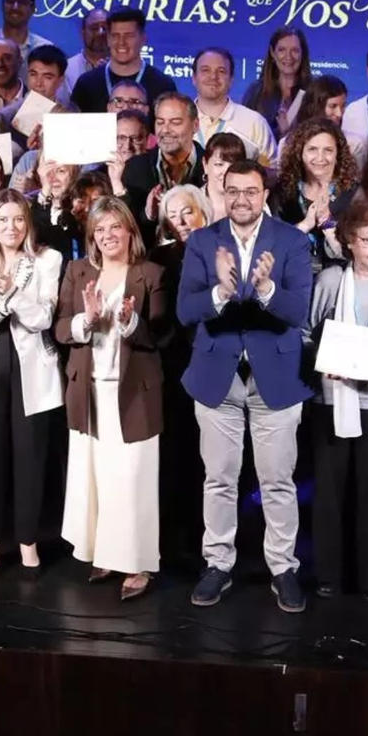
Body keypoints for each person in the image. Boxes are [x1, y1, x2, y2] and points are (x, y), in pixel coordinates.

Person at [178, 159, 316, 613]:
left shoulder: (292, 241)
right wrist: (220, 291)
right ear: (222, 191)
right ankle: (218, 563)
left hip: (275, 378)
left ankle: (283, 567)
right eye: (233, 190)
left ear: (264, 195)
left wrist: (266, 288)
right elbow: (185, 311)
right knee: (219, 479)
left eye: (251, 191)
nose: (241, 199)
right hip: (216, 378)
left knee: (277, 481)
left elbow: (298, 312)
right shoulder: (203, 241)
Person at [57, 196, 171, 599]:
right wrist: (85, 320)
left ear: (129, 231)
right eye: (99, 229)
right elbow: (60, 329)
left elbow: (160, 334)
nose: (107, 236)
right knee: (96, 478)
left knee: (132, 480)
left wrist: (130, 321)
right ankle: (105, 553)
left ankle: (137, 563)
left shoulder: (151, 273)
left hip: (134, 393)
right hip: (87, 391)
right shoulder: (77, 271)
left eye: (115, 227)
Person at [303, 202, 368, 602]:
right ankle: (328, 575)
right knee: (330, 492)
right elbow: (305, 332)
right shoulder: (331, 279)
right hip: (333, 399)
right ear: (349, 241)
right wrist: (323, 359)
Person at [0, 190, 63, 574]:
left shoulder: (48, 260)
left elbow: (43, 318)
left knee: (30, 459)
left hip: (31, 370)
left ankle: (28, 542)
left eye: (19, 219)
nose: (11, 227)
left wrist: (11, 294)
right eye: (3, 219)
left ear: (28, 223)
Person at [150, 185, 210, 567]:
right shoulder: (159, 258)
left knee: (211, 460)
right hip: (173, 368)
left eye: (187, 211)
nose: (181, 220)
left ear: (202, 212)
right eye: (172, 214)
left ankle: (210, 541)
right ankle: (175, 541)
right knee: (175, 454)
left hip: (214, 366)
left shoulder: (222, 251)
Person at [271, 117, 357, 269]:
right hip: (291, 272)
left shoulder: (353, 194)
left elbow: (356, 254)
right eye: (312, 149)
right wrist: (305, 225)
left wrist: (328, 223)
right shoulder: (283, 192)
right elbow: (273, 249)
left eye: (328, 150)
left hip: (338, 274)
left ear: (338, 155)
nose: (320, 158)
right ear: (300, 153)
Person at [122, 92, 204, 234]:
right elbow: (129, 229)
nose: (165, 130)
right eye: (160, 122)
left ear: (195, 125)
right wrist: (148, 214)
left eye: (175, 122)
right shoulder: (135, 168)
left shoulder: (212, 167)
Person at [69, 7, 179, 113]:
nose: (121, 42)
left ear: (143, 39)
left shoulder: (162, 85)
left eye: (129, 36)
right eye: (115, 36)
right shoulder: (87, 84)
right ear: (108, 39)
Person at [192, 47, 276, 166]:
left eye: (221, 71)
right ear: (194, 78)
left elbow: (273, 171)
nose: (213, 76)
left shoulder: (254, 122)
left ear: (231, 79)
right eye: (205, 70)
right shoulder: (178, 120)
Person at [0, 44, 74, 155]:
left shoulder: (71, 112)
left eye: (47, 77)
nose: (38, 83)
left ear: (60, 80)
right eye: (33, 74)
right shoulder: (4, 118)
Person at [240, 25, 312, 139]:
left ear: (303, 54)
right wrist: (279, 132)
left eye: (295, 50)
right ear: (272, 53)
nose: (288, 57)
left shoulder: (313, 92)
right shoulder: (255, 92)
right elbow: (243, 134)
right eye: (281, 50)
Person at [198, 133, 246, 224]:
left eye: (233, 165)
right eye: (219, 164)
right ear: (205, 164)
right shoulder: (191, 202)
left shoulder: (253, 203)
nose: (226, 172)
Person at [63, 7, 110, 99]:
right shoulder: (67, 69)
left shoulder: (125, 68)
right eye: (94, 28)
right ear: (83, 33)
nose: (100, 33)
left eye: (105, 28)